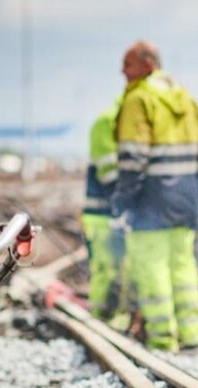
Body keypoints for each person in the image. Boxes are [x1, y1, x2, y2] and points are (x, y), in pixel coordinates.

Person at [111, 40, 198, 352]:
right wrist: (197, 191)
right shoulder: (186, 98)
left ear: (147, 65)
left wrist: (122, 201)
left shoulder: (139, 100)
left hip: (151, 199)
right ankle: (193, 333)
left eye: (128, 64)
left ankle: (162, 338)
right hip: (185, 197)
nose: (122, 71)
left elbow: (132, 159)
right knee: (183, 266)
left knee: (151, 267)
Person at [82, 100, 127, 323]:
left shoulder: (123, 121)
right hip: (101, 214)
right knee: (106, 269)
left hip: (115, 212)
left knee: (121, 268)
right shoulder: (107, 122)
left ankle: (116, 316)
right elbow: (109, 173)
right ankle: (100, 317)